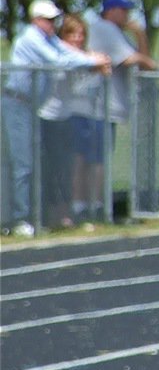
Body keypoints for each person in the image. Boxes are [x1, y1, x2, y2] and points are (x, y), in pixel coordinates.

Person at [2, 0, 110, 235]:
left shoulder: (48, 39)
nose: (53, 24)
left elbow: (64, 51)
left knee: (34, 163)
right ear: (36, 20)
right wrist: (93, 62)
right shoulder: (31, 38)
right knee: (24, 164)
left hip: (30, 105)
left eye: (54, 20)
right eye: (48, 20)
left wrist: (93, 58)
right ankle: (20, 219)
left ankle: (32, 217)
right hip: (17, 102)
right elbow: (58, 60)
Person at [38, 14, 108, 227]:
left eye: (81, 34)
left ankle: (90, 207)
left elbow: (101, 68)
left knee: (93, 161)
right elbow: (73, 65)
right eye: (72, 33)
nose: (77, 38)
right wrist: (92, 62)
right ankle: (65, 210)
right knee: (67, 165)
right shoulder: (59, 52)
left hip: (85, 115)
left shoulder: (86, 56)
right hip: (57, 116)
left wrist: (94, 62)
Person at [87, 0, 158, 143]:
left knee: (101, 159)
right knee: (96, 160)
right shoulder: (104, 27)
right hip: (99, 107)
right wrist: (147, 61)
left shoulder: (117, 31)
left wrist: (140, 34)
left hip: (107, 107)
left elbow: (142, 62)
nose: (128, 15)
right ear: (110, 11)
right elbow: (130, 59)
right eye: (124, 10)